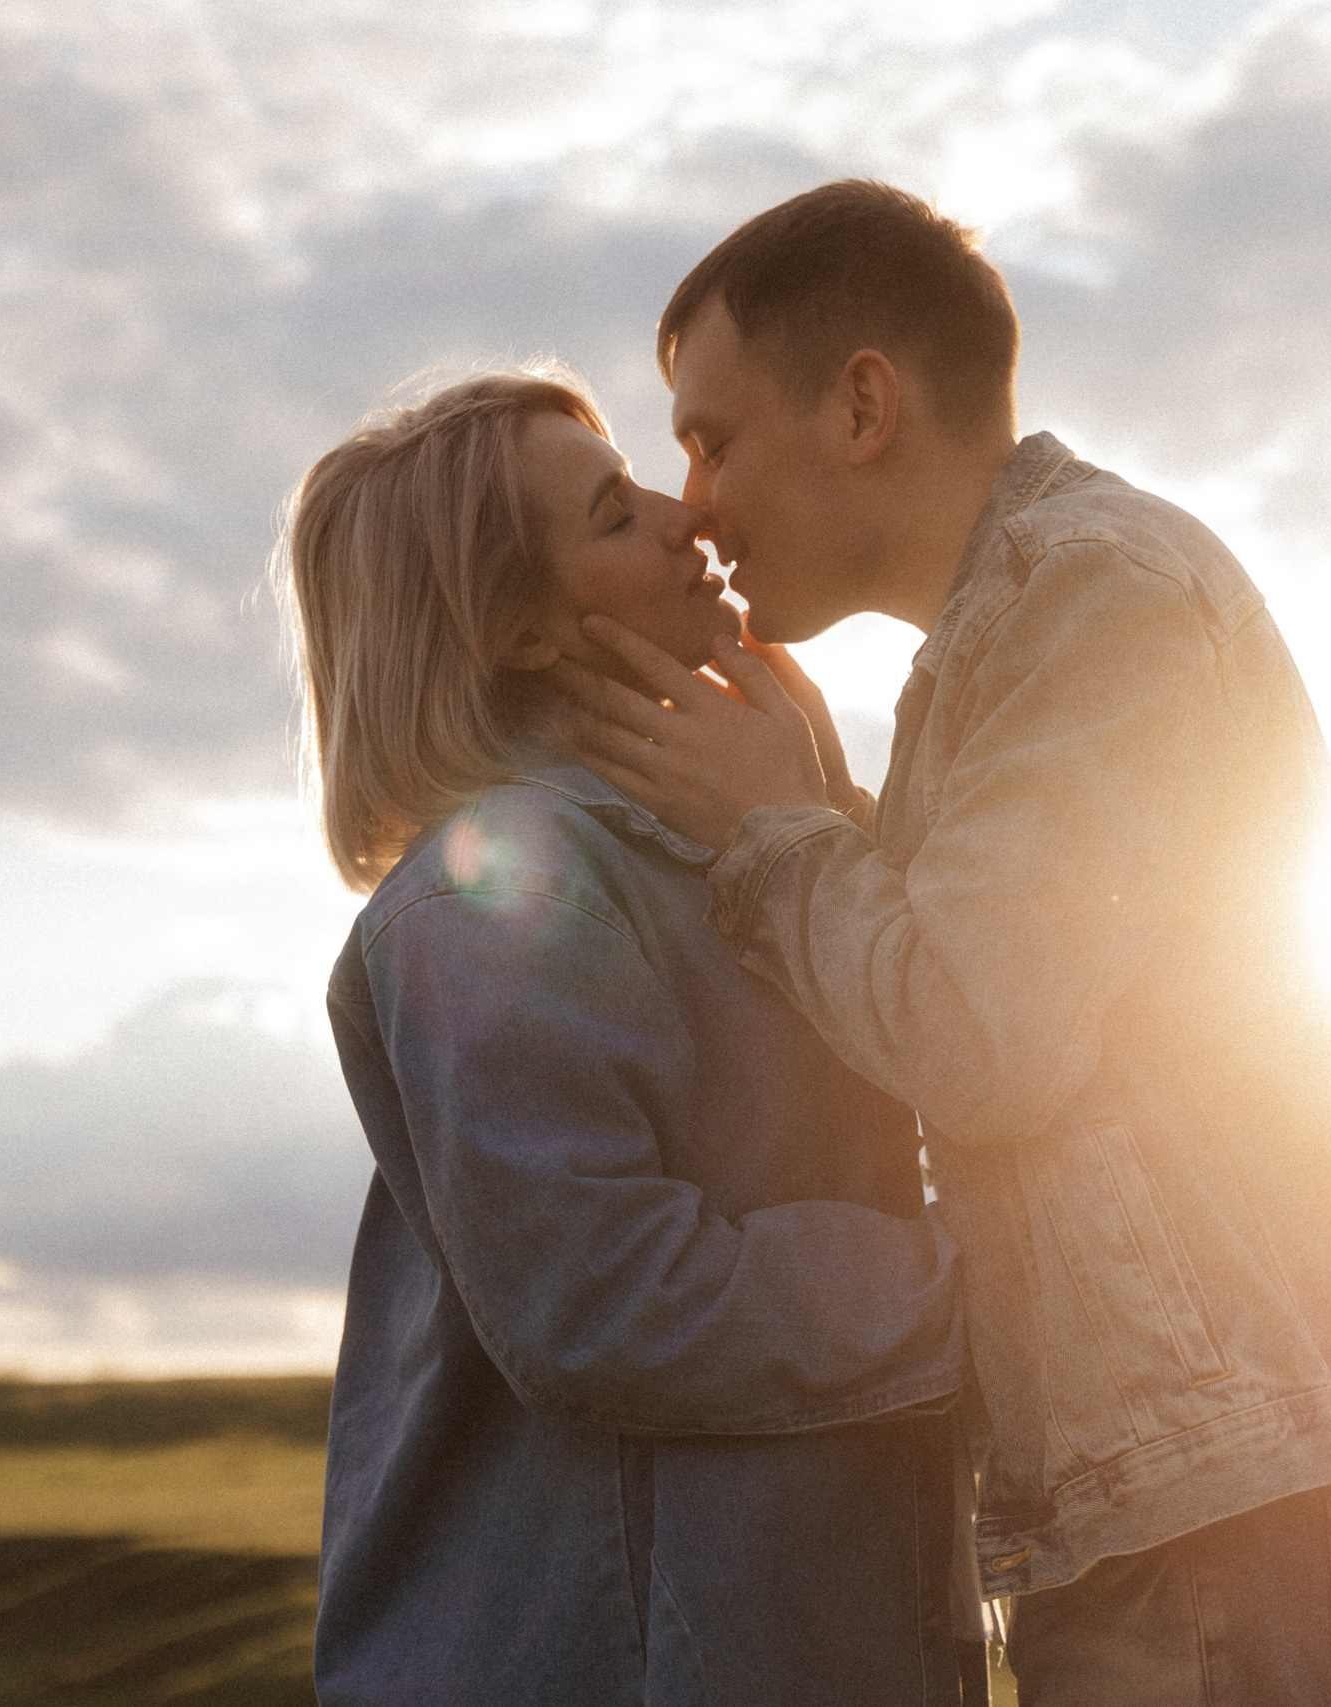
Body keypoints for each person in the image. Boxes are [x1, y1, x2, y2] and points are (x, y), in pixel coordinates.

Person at [563, 181, 1331, 1702]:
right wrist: (822, 814)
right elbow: (1017, 974)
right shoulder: (1002, 639)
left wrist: (774, 833)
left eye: (711, 439)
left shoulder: (1095, 592)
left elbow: (978, 1037)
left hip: (1248, 1504)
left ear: (864, 402)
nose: (699, 506)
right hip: (1217, 1492)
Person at [283, 369, 986, 1706]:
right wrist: (984, 1282)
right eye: (615, 516)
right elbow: (606, 1300)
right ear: (521, 632)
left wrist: (816, 818)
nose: (689, 518)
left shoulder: (725, 844)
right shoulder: (495, 898)